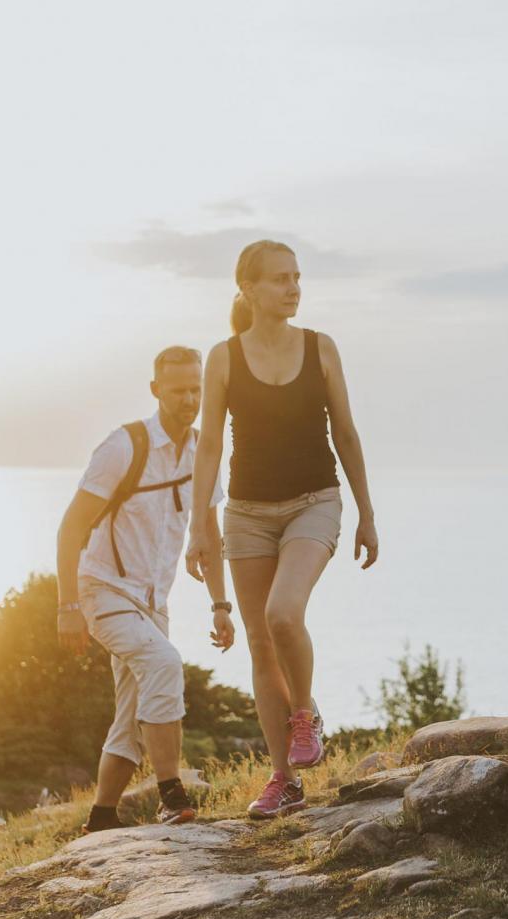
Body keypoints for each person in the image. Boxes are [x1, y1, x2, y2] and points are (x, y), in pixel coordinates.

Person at [186, 239, 380, 819]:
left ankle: (306, 713)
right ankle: (283, 779)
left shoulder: (321, 348)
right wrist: (200, 525)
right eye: (279, 279)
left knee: (282, 613)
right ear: (247, 288)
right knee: (260, 643)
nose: (293, 287)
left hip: (313, 502)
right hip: (246, 513)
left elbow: (345, 432)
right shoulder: (223, 356)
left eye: (297, 277)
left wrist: (367, 512)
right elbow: (210, 448)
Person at [57, 345, 235, 833]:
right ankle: (171, 794)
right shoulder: (124, 447)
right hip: (103, 590)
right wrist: (67, 606)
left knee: (132, 714)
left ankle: (101, 818)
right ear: (156, 390)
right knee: (164, 663)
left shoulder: (205, 452)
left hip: (154, 604)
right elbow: (71, 529)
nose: (189, 399)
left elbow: (210, 534)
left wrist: (221, 604)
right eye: (179, 390)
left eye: (196, 389)